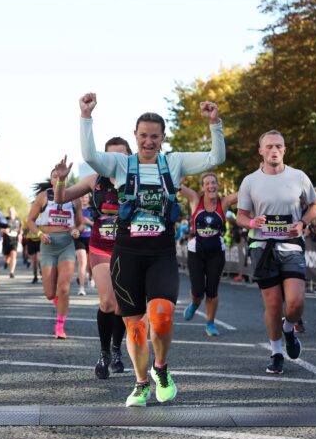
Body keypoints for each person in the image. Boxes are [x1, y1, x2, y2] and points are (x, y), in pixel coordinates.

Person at [80, 92, 225, 406]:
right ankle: (141, 382)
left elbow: (216, 159)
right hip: (126, 257)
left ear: (162, 138)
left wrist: (215, 124)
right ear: (136, 136)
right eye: (143, 136)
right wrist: (86, 116)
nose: (148, 142)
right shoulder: (121, 164)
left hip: (161, 256)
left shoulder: (173, 162)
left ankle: (161, 368)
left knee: (161, 317)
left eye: (154, 136)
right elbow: (91, 155)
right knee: (135, 327)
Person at [236, 130, 316, 375]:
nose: (274, 150)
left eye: (279, 146)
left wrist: (303, 222)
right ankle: (276, 352)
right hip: (262, 247)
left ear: (284, 150)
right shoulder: (250, 181)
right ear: (261, 151)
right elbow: (242, 215)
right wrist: (252, 223)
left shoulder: (298, 177)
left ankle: (289, 329)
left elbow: (315, 205)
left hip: (291, 245)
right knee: (273, 305)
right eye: (269, 146)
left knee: (295, 303)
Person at [54, 137, 132, 379]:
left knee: (121, 305)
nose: (116, 161)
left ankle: (117, 350)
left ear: (130, 157)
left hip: (129, 249)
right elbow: (60, 198)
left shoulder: (138, 180)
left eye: (122, 156)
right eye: (111, 156)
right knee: (108, 301)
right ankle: (104, 353)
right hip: (101, 248)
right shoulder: (94, 180)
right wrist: (62, 180)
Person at [26, 169, 84, 339]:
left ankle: (60, 326)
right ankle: (59, 303)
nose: (59, 179)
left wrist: (76, 231)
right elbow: (30, 220)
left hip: (66, 244)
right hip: (48, 246)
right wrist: (39, 234)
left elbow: (80, 224)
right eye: (55, 176)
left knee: (64, 288)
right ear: (51, 180)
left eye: (62, 176)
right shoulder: (44, 196)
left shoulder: (75, 197)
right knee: (50, 293)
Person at [180, 172, 238, 336]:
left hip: (216, 253)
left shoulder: (224, 202)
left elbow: (246, 191)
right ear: (202, 187)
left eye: (214, 183)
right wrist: (183, 171)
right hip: (196, 252)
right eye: (207, 183)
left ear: (217, 185)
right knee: (198, 290)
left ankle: (210, 324)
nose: (211, 186)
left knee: (212, 290)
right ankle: (194, 303)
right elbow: (176, 186)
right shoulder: (195, 199)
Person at [2, 206, 22, 279]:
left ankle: (12, 272)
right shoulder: (4, 219)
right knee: (7, 256)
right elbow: (1, 230)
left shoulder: (18, 220)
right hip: (6, 240)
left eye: (12, 211)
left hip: (14, 240)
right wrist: (4, 230)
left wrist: (20, 234)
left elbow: (20, 230)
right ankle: (6, 262)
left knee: (13, 255)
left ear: (15, 212)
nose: (11, 213)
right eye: (10, 211)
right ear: (8, 213)